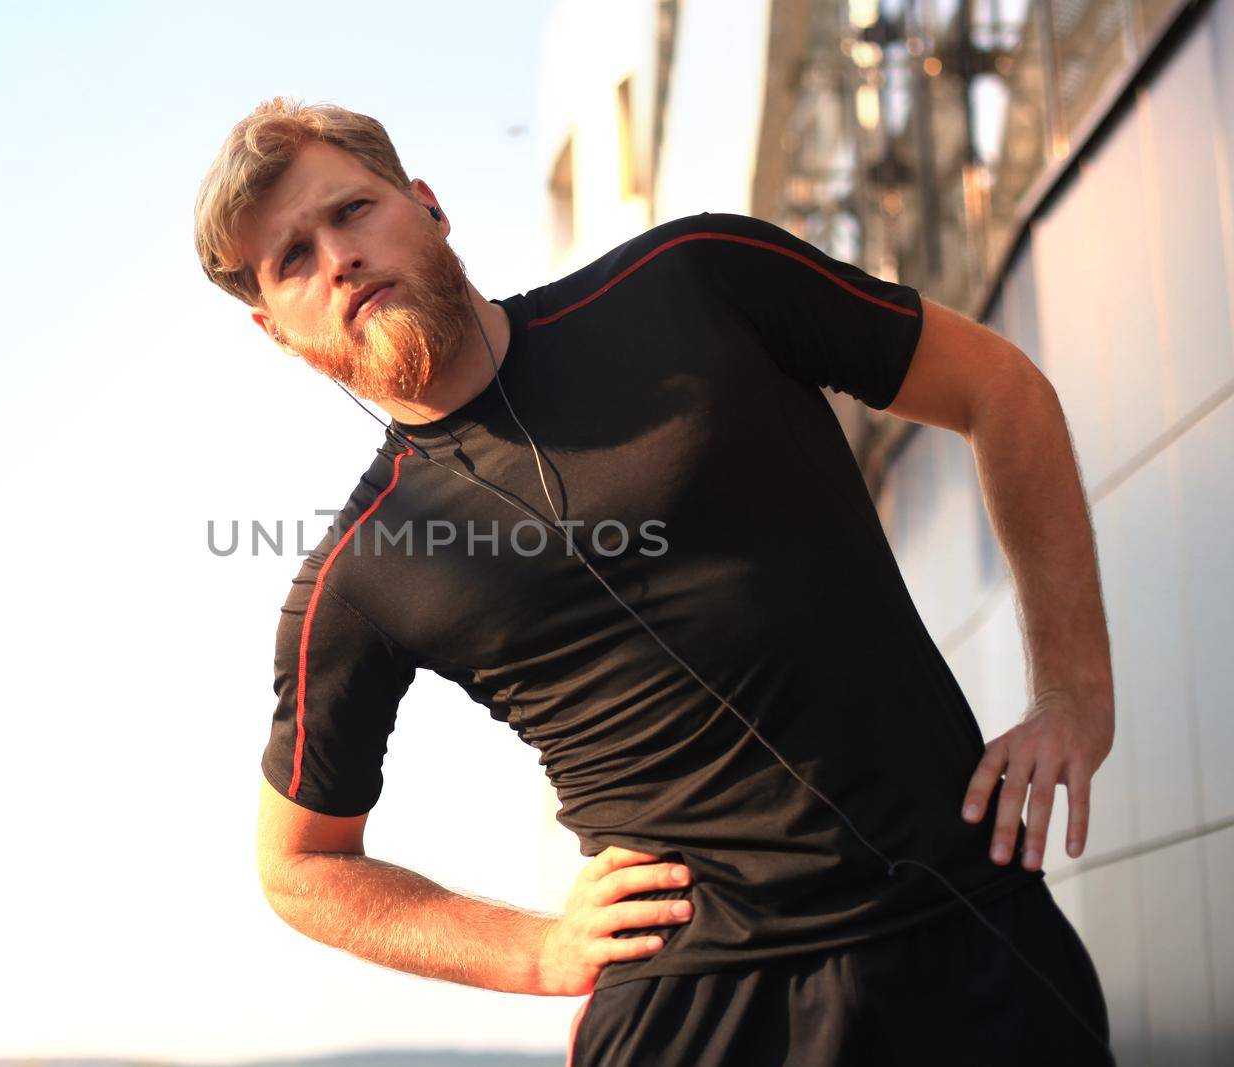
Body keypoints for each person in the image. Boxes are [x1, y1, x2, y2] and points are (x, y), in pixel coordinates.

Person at [193, 97, 1117, 1066]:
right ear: (275, 330)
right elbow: (299, 863)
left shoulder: (694, 279)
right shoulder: (356, 572)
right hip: (691, 1012)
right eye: (292, 257)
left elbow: (997, 388)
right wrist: (534, 948)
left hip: (969, 940)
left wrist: (1072, 693)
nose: (337, 256)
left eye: (352, 210)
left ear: (426, 204)